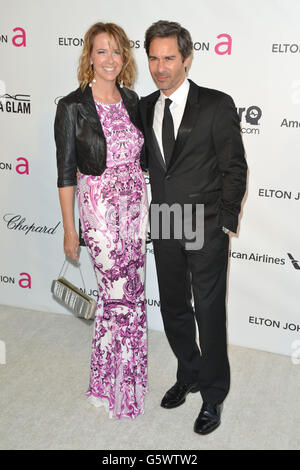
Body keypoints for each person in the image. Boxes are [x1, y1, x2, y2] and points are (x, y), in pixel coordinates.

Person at [139, 20, 247, 434]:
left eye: (169, 58)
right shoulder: (145, 105)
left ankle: (214, 393)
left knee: (208, 310)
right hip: (165, 219)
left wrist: (224, 222)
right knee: (174, 307)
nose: (161, 67)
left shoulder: (217, 104)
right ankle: (189, 372)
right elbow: (150, 165)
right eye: (153, 58)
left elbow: (234, 168)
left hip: (204, 223)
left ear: (186, 58)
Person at [54, 22, 148, 420]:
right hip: (100, 213)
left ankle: (106, 383)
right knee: (117, 297)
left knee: (130, 299)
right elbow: (65, 173)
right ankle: (122, 394)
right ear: (89, 57)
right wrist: (70, 230)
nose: (110, 59)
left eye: (116, 51)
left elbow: (144, 159)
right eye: (101, 51)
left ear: (124, 57)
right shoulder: (72, 106)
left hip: (135, 211)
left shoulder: (132, 99)